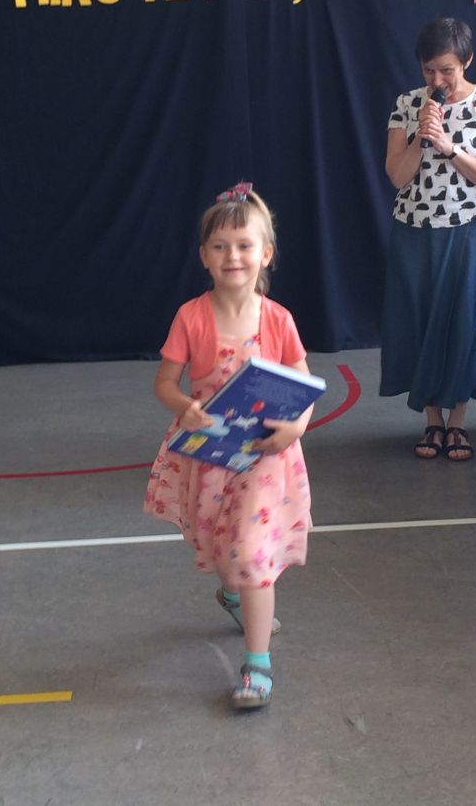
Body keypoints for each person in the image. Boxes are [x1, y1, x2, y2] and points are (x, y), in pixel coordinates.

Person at [143, 182, 314, 710]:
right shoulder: (191, 317)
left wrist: (296, 427)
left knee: (252, 552)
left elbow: (304, 383)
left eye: (244, 245)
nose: (232, 256)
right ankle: (232, 592)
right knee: (223, 546)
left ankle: (257, 665)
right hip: (212, 455)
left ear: (266, 254)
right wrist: (183, 406)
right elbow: (165, 384)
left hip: (265, 457)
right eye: (220, 246)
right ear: (204, 256)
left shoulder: (278, 319)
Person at [380, 18, 476, 460]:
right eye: (429, 70)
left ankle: (458, 423)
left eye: (447, 70)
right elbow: (397, 176)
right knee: (419, 323)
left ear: (466, 61)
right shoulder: (407, 104)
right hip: (415, 231)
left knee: (464, 326)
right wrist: (422, 136)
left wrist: (449, 146)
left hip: (469, 228)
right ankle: (432, 421)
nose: (437, 80)